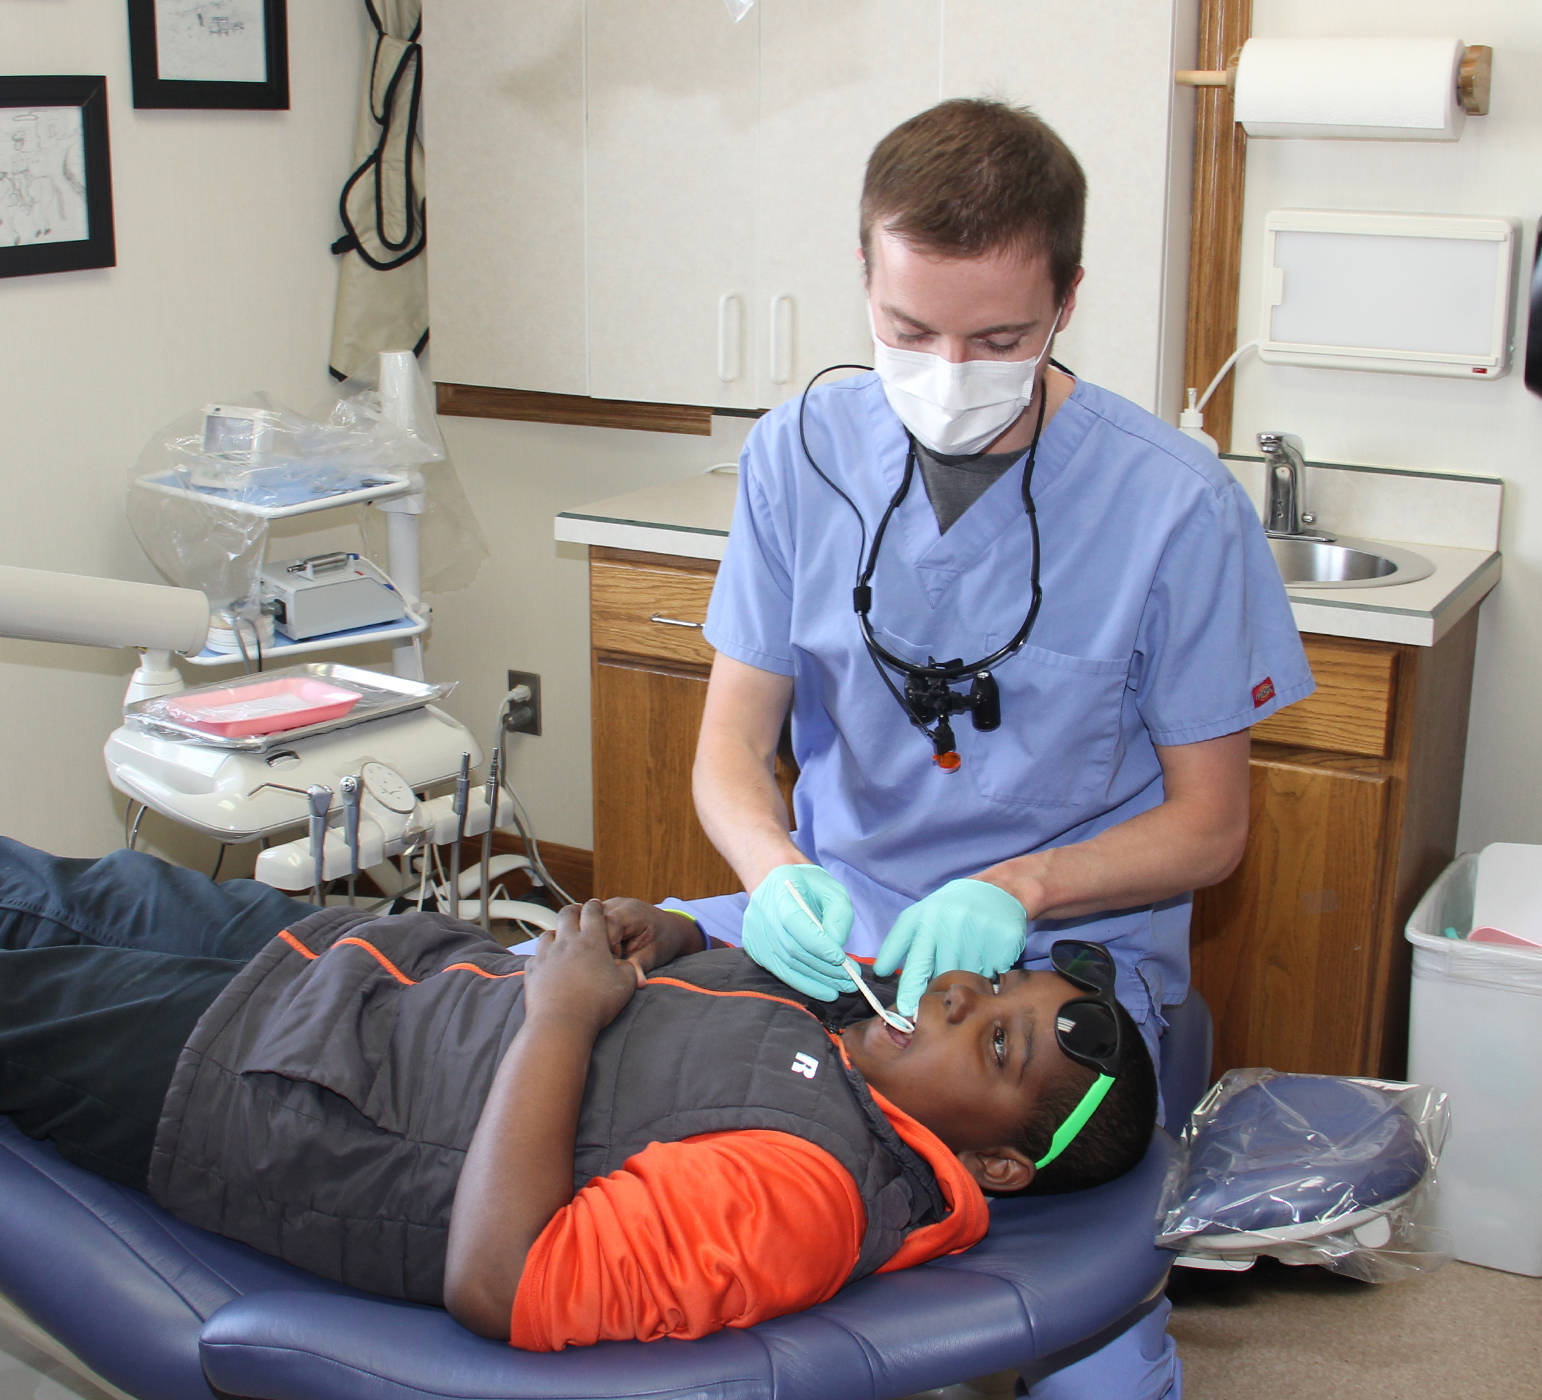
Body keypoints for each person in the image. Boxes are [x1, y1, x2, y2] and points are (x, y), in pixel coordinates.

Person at [683, 99, 1315, 1395]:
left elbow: (1211, 828)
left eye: (1000, 339)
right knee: (604, 1073)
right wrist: (771, 872)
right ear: (862, 274)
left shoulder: (1172, 506)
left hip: (1057, 969)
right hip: (838, 924)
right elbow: (729, 759)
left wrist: (1015, 887)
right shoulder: (795, 460)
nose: (948, 371)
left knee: (1073, 1345)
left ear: (1068, 299)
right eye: (908, 332)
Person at [0, 835, 1156, 1351]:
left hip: (266, 1088)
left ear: (1000, 1165)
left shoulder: (814, 1187)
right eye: (995, 981)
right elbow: (683, 1035)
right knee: (36, 885)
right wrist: (669, 931)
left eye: (998, 1046)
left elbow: (501, 1280)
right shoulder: (839, 1020)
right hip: (334, 958)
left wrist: (561, 1009)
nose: (961, 992)